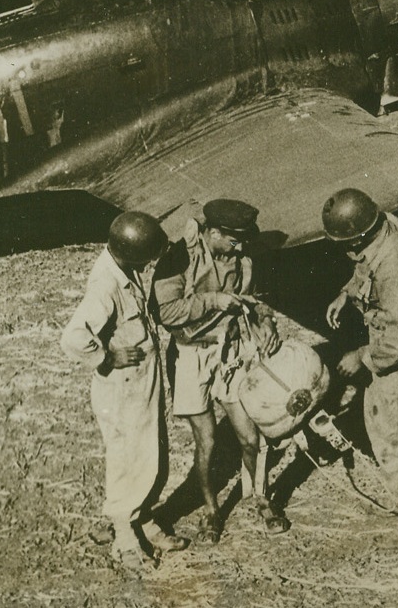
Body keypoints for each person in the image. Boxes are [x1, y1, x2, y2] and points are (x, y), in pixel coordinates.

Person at [153, 198, 289, 543]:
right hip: (191, 355)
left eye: (242, 241)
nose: (240, 247)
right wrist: (213, 301)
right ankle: (212, 510)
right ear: (211, 232)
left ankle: (260, 497)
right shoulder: (179, 256)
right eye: (232, 240)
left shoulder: (241, 258)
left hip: (231, 352)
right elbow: (165, 312)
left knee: (250, 435)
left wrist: (267, 321)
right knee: (208, 441)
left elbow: (255, 299)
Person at [60, 211, 187, 571]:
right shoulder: (105, 286)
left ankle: (142, 517)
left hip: (141, 385)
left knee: (149, 453)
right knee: (126, 458)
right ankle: (123, 535)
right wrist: (107, 356)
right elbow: (72, 337)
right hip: (122, 389)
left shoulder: (122, 268)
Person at [322, 187, 398, 546]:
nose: (346, 251)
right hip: (388, 345)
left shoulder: (393, 265)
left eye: (348, 243)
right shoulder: (377, 231)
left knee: (397, 433)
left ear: (361, 236)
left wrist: (362, 357)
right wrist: (346, 293)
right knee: (383, 423)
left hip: (395, 356)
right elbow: (362, 267)